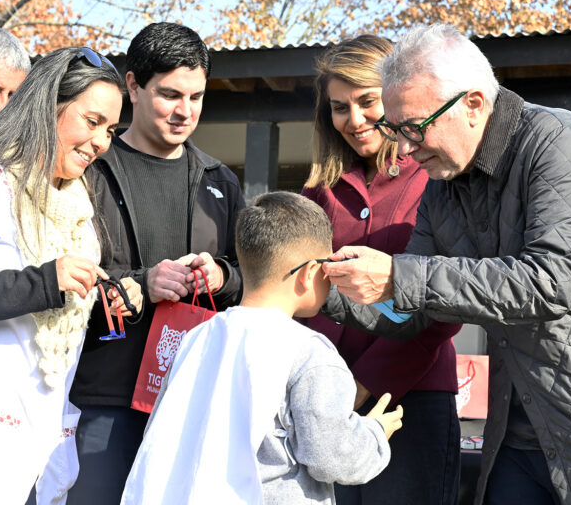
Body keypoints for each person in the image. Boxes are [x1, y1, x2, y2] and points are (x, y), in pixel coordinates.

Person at [320, 24, 571, 505]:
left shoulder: (561, 144)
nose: (403, 148)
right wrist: (324, 292)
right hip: (523, 436)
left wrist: (400, 276)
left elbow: (549, 284)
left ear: (474, 104)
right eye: (396, 130)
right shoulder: (442, 187)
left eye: (414, 128)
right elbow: (413, 309)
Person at [0, 47, 141, 505]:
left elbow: (48, 327)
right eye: (92, 122)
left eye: (111, 130)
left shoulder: (79, 210)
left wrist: (103, 299)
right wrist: (44, 283)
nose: (102, 141)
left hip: (44, 442)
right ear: (47, 105)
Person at [121, 191, 403, 504]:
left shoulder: (198, 337)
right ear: (310, 274)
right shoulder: (310, 353)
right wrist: (375, 433)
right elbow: (332, 458)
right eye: (326, 266)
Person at [68, 22, 245, 503]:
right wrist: (144, 283)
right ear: (132, 86)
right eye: (169, 95)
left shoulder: (220, 180)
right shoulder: (91, 170)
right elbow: (63, 279)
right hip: (104, 400)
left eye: (196, 96)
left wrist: (223, 275)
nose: (185, 112)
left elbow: (254, 278)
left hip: (190, 399)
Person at [301, 34, 462, 504]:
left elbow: (444, 305)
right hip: (327, 401)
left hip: (411, 400)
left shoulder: (435, 177)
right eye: (338, 107)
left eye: (367, 101)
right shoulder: (320, 191)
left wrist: (363, 386)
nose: (354, 120)